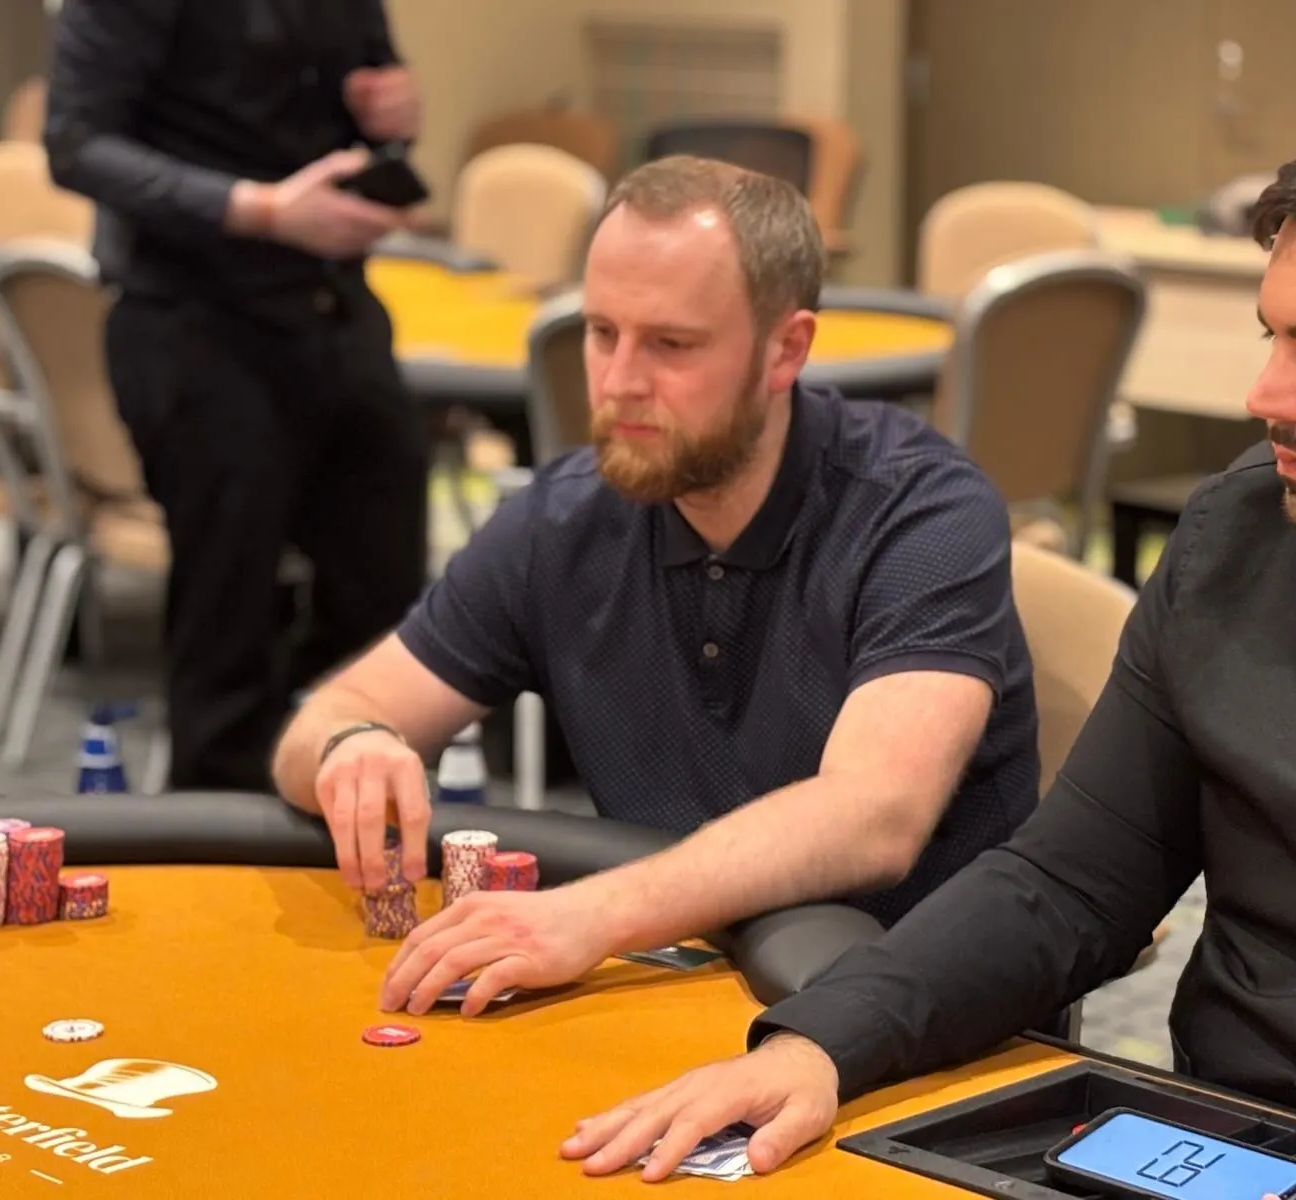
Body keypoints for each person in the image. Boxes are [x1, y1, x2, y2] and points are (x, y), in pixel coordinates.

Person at [561, 97, 1296, 1200]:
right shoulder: (1238, 534)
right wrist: (821, 1044)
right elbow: (1070, 882)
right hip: (1213, 1145)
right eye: (1274, 339)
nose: (1266, 396)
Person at [272, 155, 1042, 1016]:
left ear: (786, 349)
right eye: (602, 333)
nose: (620, 382)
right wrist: (351, 747)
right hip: (680, 985)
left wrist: (590, 912)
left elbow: (875, 816)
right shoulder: (561, 520)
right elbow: (329, 718)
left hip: (928, 1024)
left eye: (672, 345)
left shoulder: (921, 510)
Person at [44, 1, 430, 792]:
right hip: (194, 319)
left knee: (386, 596)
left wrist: (393, 120)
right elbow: (75, 145)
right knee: (227, 628)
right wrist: (258, 209)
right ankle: (218, 834)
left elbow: (367, 105)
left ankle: (320, 792)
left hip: (334, 308)